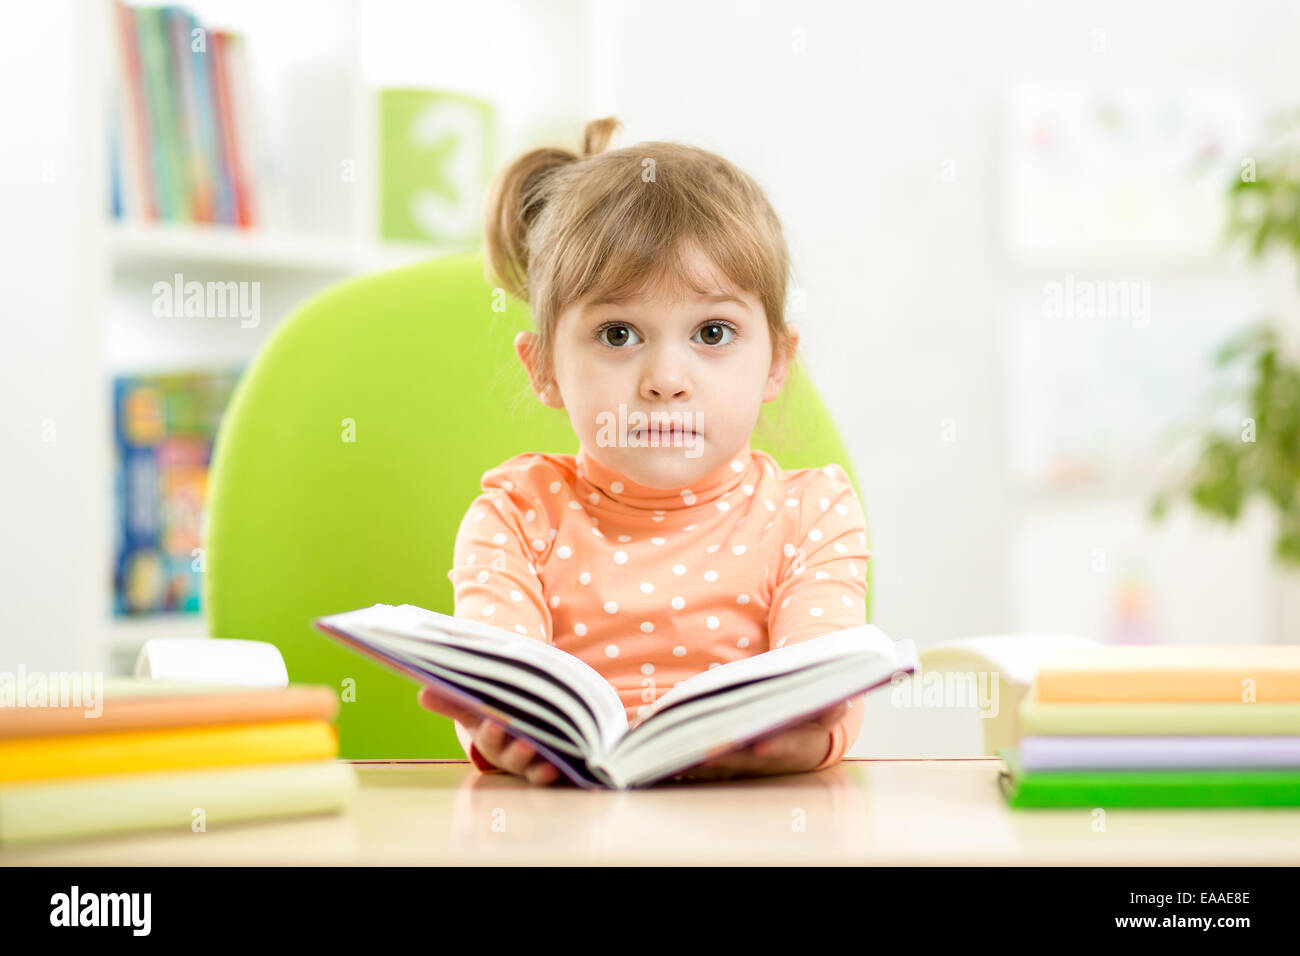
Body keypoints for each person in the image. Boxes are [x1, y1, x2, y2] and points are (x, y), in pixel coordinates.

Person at [417, 116, 871, 785]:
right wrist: (497, 734)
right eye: (618, 334)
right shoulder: (514, 517)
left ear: (777, 362)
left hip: (757, 822)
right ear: (544, 367)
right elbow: (499, 698)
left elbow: (826, 690)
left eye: (712, 333)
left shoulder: (813, 515)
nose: (665, 380)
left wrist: (809, 737)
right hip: (563, 822)